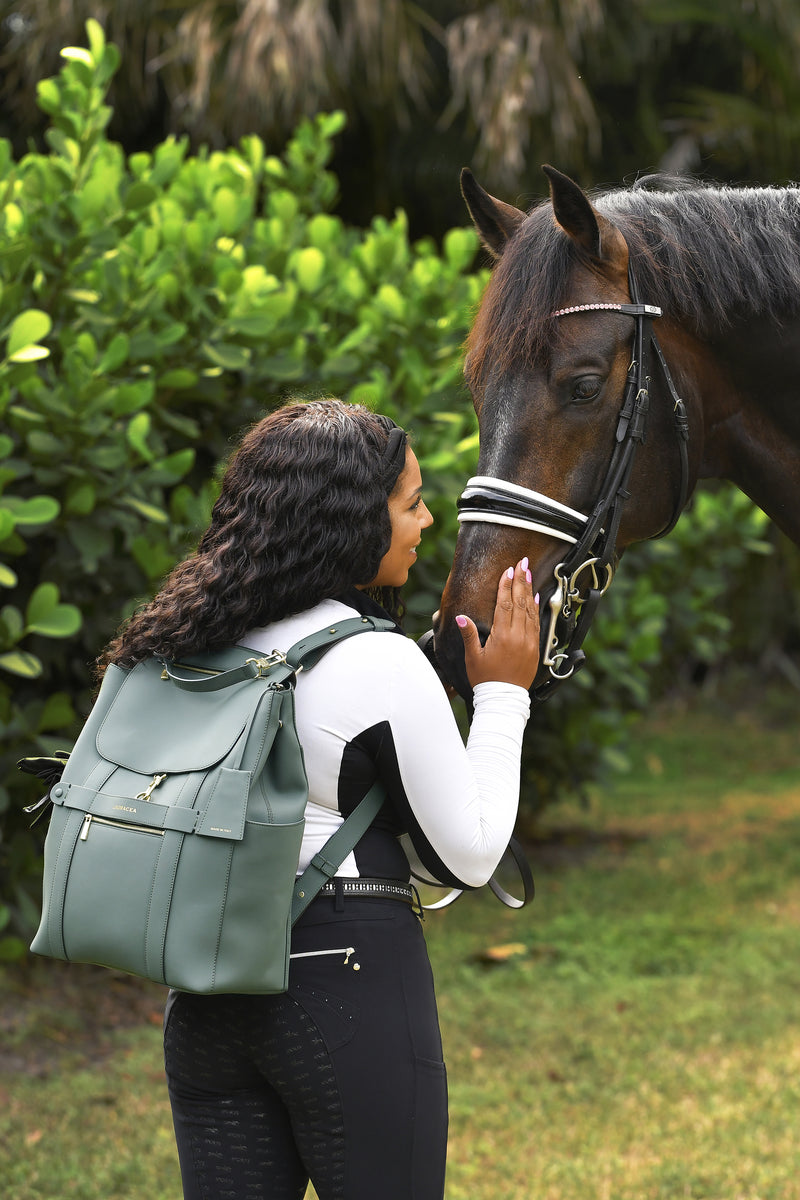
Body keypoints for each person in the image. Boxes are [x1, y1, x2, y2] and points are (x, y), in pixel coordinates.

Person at [99, 397, 540, 1200]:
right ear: (349, 524)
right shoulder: (376, 660)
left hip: (204, 994)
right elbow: (470, 856)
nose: (429, 519)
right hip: (346, 986)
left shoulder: (173, 639)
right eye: (410, 504)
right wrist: (505, 693)